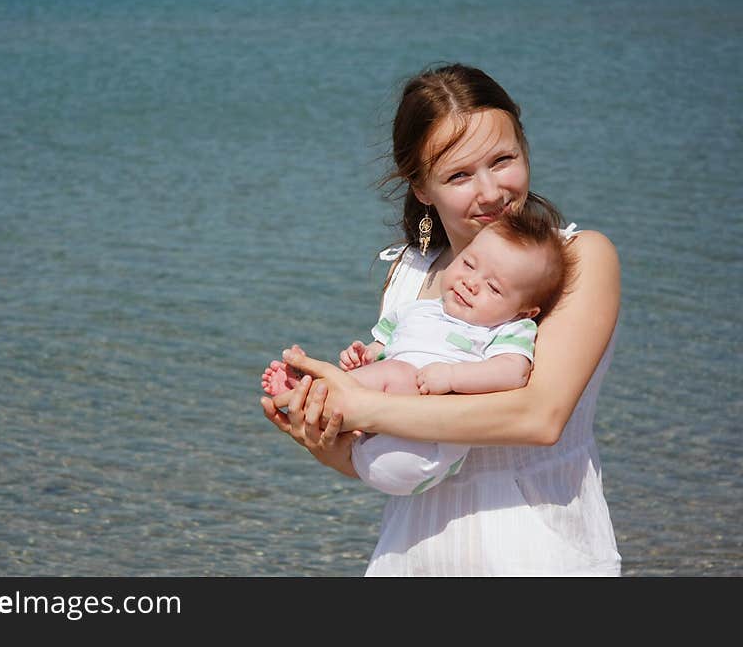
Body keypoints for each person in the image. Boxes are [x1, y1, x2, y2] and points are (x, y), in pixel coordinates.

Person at [260, 63, 622, 576]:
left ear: (525, 146)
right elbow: (382, 458)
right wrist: (324, 432)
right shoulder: (408, 277)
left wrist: (361, 405)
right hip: (412, 556)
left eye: (503, 160)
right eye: (458, 175)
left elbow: (539, 418)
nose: (491, 191)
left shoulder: (579, 259)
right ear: (421, 187)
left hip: (537, 554)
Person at [262, 207, 577, 496]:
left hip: (427, 445)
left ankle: (308, 392)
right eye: (469, 263)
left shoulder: (508, 329)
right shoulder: (417, 310)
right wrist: (366, 355)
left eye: (494, 288)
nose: (471, 283)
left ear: (523, 311)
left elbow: (513, 372)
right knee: (378, 371)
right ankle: (307, 395)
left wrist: (454, 377)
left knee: (395, 374)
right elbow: (384, 347)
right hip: (368, 443)